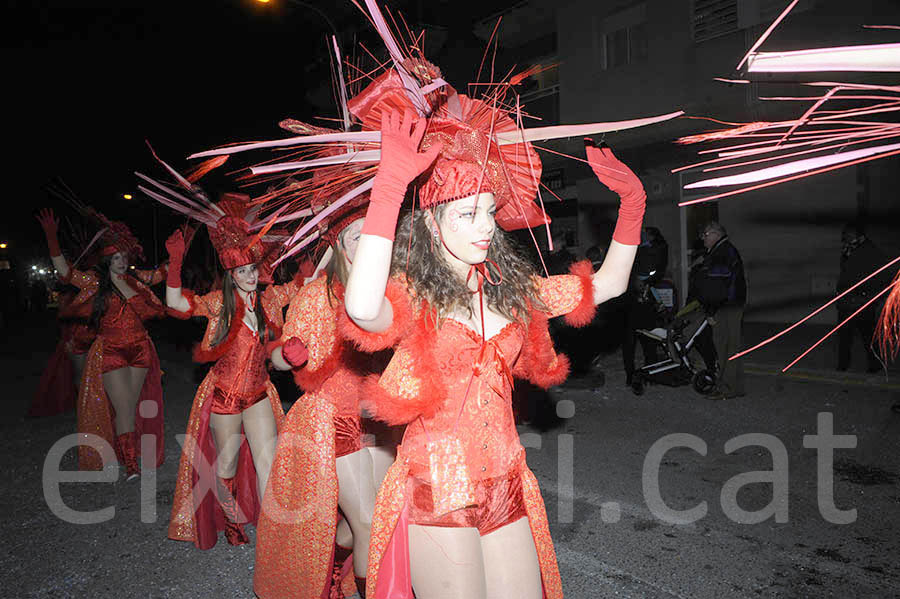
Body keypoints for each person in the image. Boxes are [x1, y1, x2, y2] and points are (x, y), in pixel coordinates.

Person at [341, 87, 644, 596]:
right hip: (439, 485)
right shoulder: (416, 299)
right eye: (467, 214)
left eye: (488, 211)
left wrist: (633, 206)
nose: (485, 227)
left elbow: (609, 284)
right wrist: (389, 188)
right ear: (432, 226)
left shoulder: (513, 292)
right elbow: (362, 309)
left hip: (506, 478)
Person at [254, 188, 393, 598]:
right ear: (339, 244)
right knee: (368, 521)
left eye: (372, 234)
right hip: (335, 419)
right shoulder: (317, 295)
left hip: (378, 415)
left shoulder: (390, 290)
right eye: (355, 237)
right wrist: (289, 357)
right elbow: (279, 356)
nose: (365, 244)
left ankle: (330, 567)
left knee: (370, 519)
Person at [165, 193, 292, 548]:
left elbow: (306, 286)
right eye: (241, 272)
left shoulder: (269, 301)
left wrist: (327, 236)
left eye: (252, 269)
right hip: (224, 396)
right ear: (230, 274)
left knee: (268, 459)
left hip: (259, 393)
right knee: (226, 464)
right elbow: (176, 304)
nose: (249, 276)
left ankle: (271, 533)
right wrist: (175, 264)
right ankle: (232, 520)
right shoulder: (219, 304)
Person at [36, 208, 167, 477]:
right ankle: (131, 465)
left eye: (123, 257)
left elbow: (162, 275)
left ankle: (127, 451)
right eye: (115, 257)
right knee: (123, 406)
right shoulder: (96, 283)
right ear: (107, 261)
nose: (120, 261)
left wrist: (177, 256)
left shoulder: (137, 281)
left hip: (141, 350)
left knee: (129, 405)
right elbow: (66, 271)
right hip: (112, 351)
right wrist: (52, 237)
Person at [689, 221, 747, 399]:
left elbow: (717, 287)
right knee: (730, 347)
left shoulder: (721, 253)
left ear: (716, 234)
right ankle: (733, 386)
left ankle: (727, 388)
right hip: (728, 304)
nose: (703, 239)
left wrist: (711, 311)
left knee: (725, 347)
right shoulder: (721, 251)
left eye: (705, 235)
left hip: (725, 307)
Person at [837, 223, 887, 373]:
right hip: (847, 301)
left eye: (846, 233)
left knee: (868, 336)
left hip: (861, 301)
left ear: (854, 233)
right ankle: (842, 366)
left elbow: (880, 275)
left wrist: (869, 295)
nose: (844, 236)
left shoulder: (870, 250)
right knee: (845, 337)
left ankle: (875, 366)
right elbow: (846, 272)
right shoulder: (848, 248)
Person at [622, 227, 669, 386]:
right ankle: (650, 373)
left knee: (631, 341)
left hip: (633, 301)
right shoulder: (656, 250)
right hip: (643, 300)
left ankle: (632, 375)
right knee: (648, 339)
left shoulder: (637, 251)